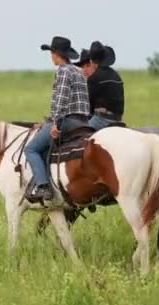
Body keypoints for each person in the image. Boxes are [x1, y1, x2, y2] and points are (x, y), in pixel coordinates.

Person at [24, 36, 90, 201]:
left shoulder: (63, 71)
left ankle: (43, 186)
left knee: (31, 149)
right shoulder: (78, 71)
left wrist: (55, 124)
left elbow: (61, 101)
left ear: (55, 53)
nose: (51, 57)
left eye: (51, 53)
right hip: (83, 122)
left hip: (67, 121)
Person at [74, 41, 125, 130]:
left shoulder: (95, 78)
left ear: (91, 61)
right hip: (118, 119)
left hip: (102, 119)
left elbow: (88, 106)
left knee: (77, 131)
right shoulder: (116, 75)